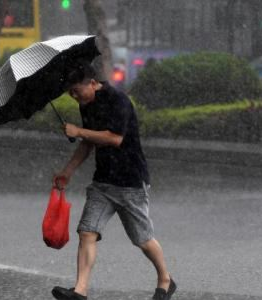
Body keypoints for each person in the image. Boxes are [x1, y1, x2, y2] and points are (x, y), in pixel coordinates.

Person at [51, 61, 177, 300]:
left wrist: (78, 131)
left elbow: (114, 138)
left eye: (76, 90)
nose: (73, 96)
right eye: (70, 92)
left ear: (92, 83)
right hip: (103, 182)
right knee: (87, 231)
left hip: (130, 181)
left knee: (143, 240)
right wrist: (67, 171)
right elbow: (88, 142)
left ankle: (165, 279)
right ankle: (80, 291)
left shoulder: (118, 100)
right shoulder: (86, 105)